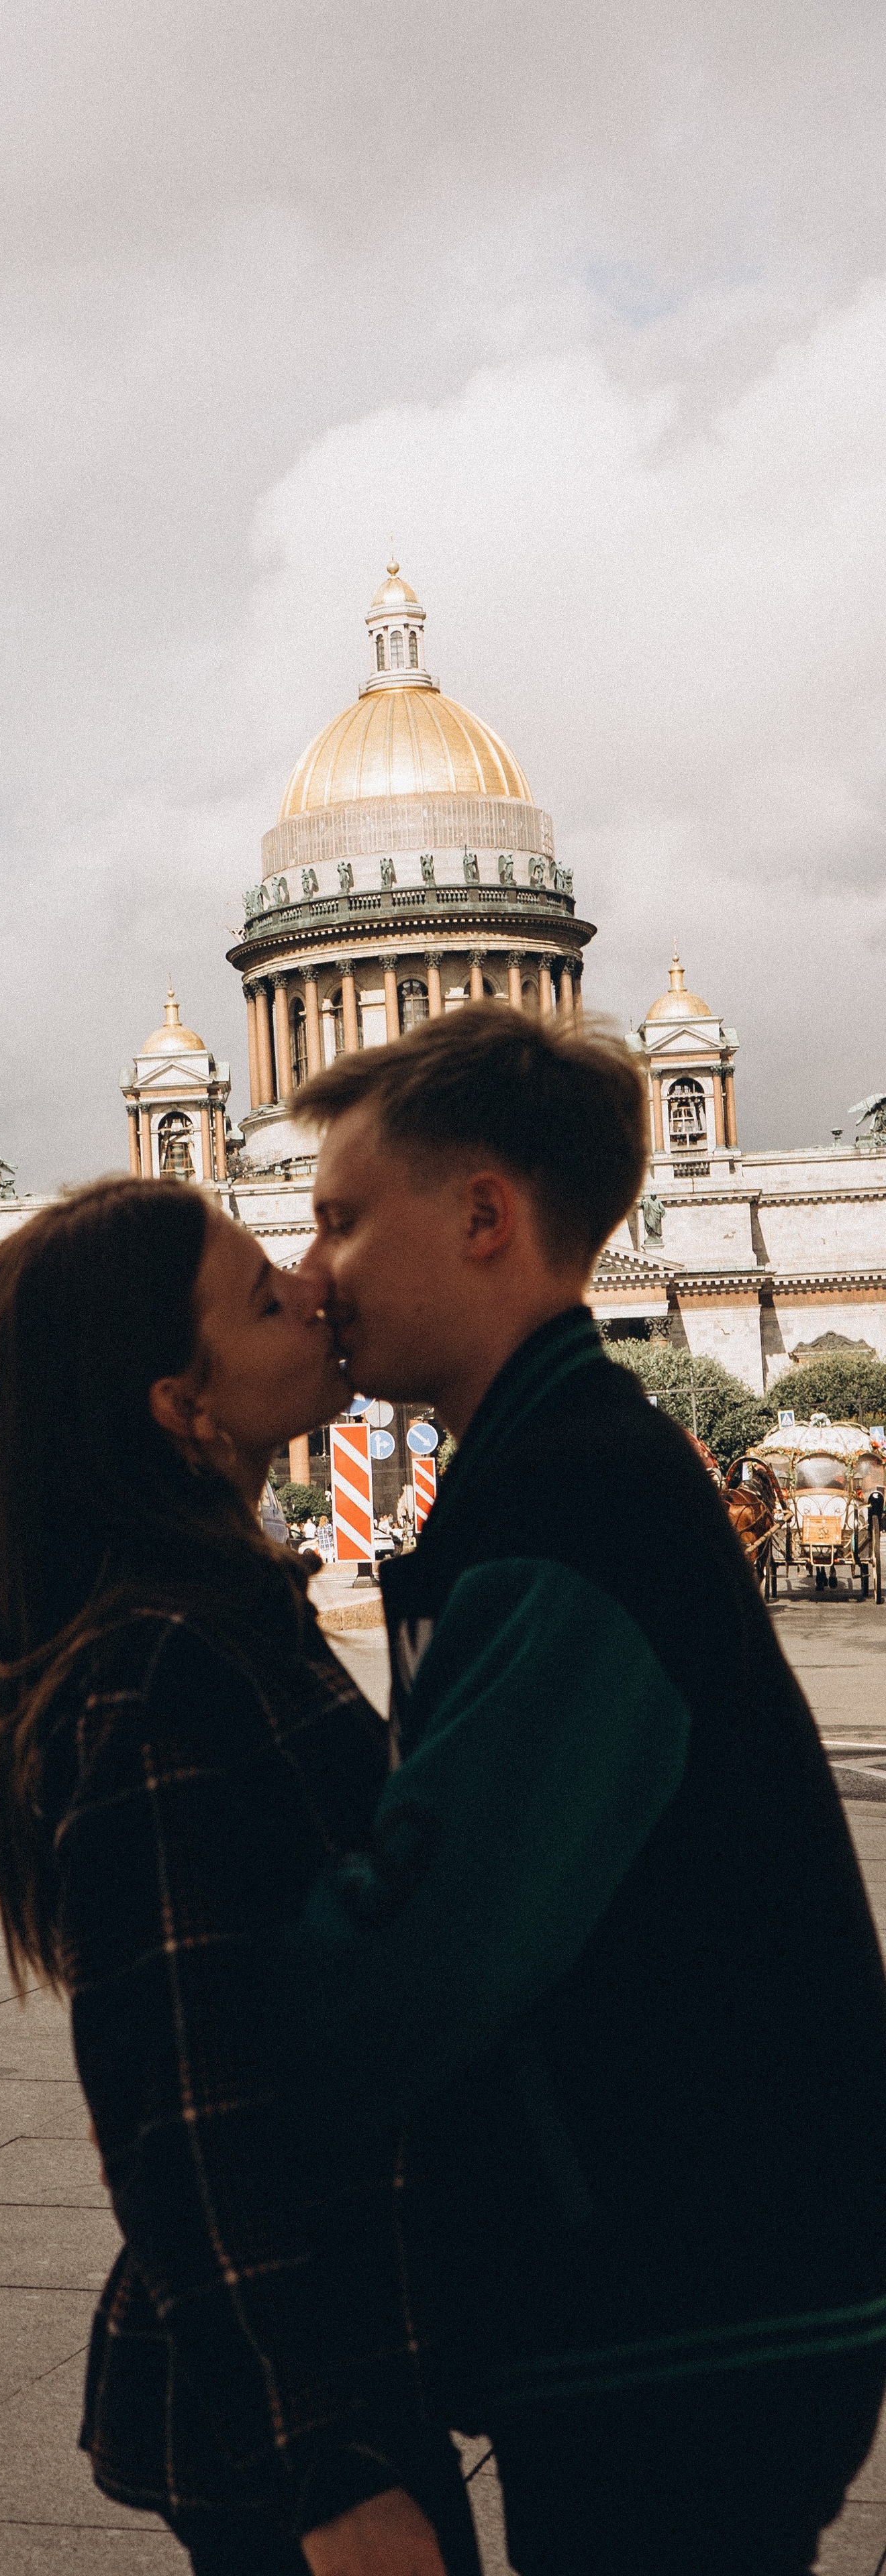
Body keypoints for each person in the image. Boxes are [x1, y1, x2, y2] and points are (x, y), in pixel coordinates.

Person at [281, 1004, 886, 2575]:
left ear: (483, 1213)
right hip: (696, 2273)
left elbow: (424, 1958)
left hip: (681, 2302)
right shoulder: (557, 1468)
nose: (311, 1268)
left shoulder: (567, 1507)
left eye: (342, 1217)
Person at [0, 1177, 481, 2576]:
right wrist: (331, 2466)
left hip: (320, 2366)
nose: (315, 1287)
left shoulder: (208, 1619)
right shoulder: (165, 1665)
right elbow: (179, 2106)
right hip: (300, 2413)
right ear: (180, 1406)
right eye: (263, 1296)